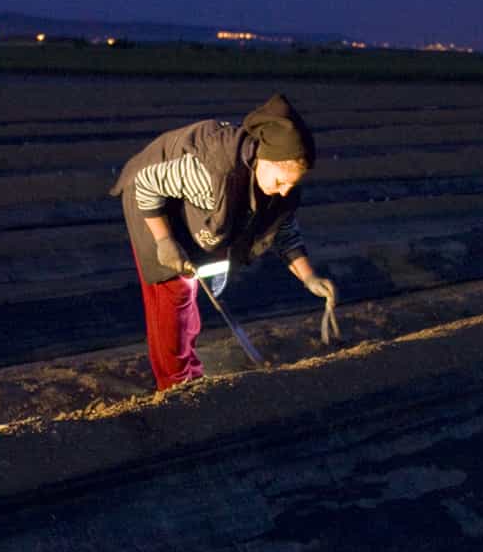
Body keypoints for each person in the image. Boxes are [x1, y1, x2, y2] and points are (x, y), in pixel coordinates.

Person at [111, 93, 337, 391]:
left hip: (200, 215)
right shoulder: (212, 170)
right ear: (262, 159)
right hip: (152, 206)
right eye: (281, 181)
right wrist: (165, 240)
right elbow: (147, 185)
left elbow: (282, 228)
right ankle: (176, 385)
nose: (284, 191)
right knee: (174, 295)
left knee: (191, 291)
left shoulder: (276, 189)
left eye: (292, 185)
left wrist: (309, 277)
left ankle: (190, 370)